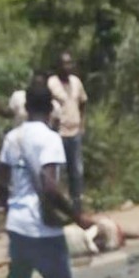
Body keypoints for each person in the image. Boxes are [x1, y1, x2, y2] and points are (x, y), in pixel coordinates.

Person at [0, 82, 80, 278]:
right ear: (51, 108)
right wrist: (77, 216)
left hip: (18, 226)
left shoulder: (12, 137)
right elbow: (50, 187)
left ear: (25, 108)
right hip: (43, 230)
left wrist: (9, 211)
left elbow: (1, 183)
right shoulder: (50, 139)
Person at [48, 52, 88, 211]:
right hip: (58, 134)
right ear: (57, 66)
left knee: (77, 171)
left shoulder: (76, 82)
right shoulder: (51, 83)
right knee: (59, 172)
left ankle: (77, 206)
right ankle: (59, 208)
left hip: (75, 133)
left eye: (70, 63)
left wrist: (82, 124)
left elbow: (83, 102)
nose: (67, 67)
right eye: (64, 64)